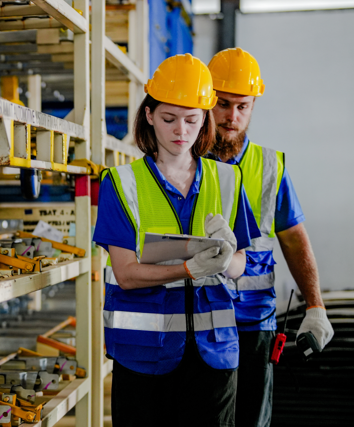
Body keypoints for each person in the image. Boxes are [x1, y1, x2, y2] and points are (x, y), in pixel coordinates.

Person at [93, 53, 262, 427]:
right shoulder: (120, 183)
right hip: (142, 358)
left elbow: (242, 265)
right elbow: (125, 274)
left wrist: (227, 258)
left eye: (191, 120)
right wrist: (189, 268)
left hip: (214, 355)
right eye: (169, 119)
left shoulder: (228, 180)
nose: (180, 131)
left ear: (205, 120)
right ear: (149, 115)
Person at [206, 47, 334, 427]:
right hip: (197, 319)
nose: (232, 117)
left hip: (253, 322)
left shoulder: (270, 166)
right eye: (223, 104)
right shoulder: (185, 161)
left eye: (242, 106)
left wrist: (316, 306)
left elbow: (294, 239)